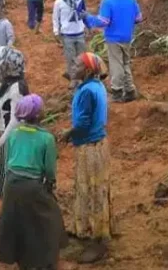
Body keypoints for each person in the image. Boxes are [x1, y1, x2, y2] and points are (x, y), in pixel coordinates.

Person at [0, 94, 63, 269]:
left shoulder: (14, 134)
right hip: (33, 186)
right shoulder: (46, 138)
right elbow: (49, 170)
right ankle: (46, 260)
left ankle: (20, 260)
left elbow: (7, 164)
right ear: (38, 114)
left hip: (11, 185)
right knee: (49, 220)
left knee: (16, 223)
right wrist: (50, 184)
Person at [59, 53, 112, 263]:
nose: (73, 66)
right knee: (97, 188)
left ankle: (98, 241)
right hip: (99, 143)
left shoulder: (86, 92)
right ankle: (86, 227)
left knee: (91, 191)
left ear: (88, 70)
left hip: (89, 146)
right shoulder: (95, 86)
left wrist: (66, 133)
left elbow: (81, 122)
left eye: (78, 64)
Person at [93, 0, 142, 102]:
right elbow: (138, 18)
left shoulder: (108, 0)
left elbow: (103, 21)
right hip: (127, 36)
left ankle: (117, 91)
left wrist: (89, 18)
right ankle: (130, 90)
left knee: (116, 64)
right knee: (126, 63)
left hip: (114, 37)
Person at [0, 48, 29, 198]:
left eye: (2, 65)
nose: (0, 67)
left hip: (10, 137)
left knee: (9, 178)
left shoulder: (16, 88)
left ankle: (9, 212)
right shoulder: (14, 84)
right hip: (8, 135)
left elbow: (15, 120)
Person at [53, 0, 87, 85]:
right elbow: (55, 18)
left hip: (80, 32)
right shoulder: (59, 2)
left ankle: (81, 78)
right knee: (70, 58)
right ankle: (73, 79)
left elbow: (84, 13)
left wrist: (87, 27)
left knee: (81, 58)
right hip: (67, 34)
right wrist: (56, 32)